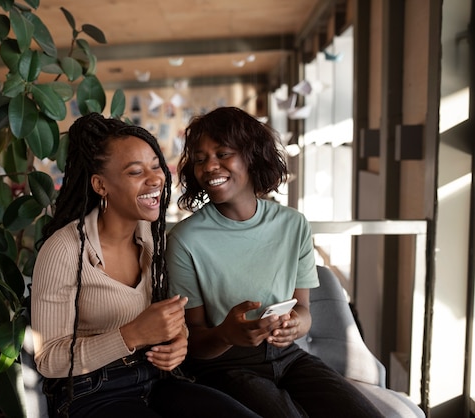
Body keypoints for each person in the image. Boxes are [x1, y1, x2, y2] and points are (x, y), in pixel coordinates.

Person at [31, 113, 260, 418]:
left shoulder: (153, 240)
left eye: (156, 166)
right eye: (135, 171)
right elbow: (49, 359)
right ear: (101, 185)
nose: (155, 179)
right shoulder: (64, 250)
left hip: (155, 380)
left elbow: (167, 321)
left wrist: (179, 339)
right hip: (90, 393)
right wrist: (130, 336)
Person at [166, 106, 383, 418]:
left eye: (223, 153)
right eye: (200, 159)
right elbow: (193, 344)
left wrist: (295, 326)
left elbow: (304, 310)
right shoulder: (186, 239)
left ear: (252, 156)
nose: (209, 166)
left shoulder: (293, 225)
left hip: (289, 356)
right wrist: (227, 333)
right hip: (224, 366)